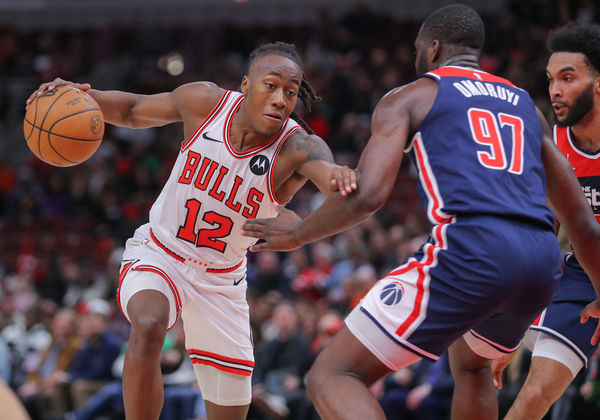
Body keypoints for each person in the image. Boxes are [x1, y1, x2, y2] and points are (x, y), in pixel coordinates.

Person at [242, 5, 600, 419]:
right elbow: (581, 222)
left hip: (474, 249)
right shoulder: (524, 105)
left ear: (431, 49)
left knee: (332, 376)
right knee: (472, 365)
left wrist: (299, 233)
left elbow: (369, 195)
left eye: (416, 49)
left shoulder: (411, 96)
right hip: (540, 261)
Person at [26, 41, 357, 420]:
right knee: (149, 326)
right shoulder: (205, 102)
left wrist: (314, 215)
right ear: (246, 85)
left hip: (221, 280)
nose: (281, 99)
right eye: (271, 85)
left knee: (230, 411)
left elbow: (337, 184)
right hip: (160, 252)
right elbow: (133, 110)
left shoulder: (298, 148)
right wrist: (78, 94)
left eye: (291, 91)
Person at [491, 22, 600, 419]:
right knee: (533, 397)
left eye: (568, 78)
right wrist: (510, 334)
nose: (555, 90)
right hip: (585, 273)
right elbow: (542, 235)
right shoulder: (555, 146)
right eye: (551, 79)